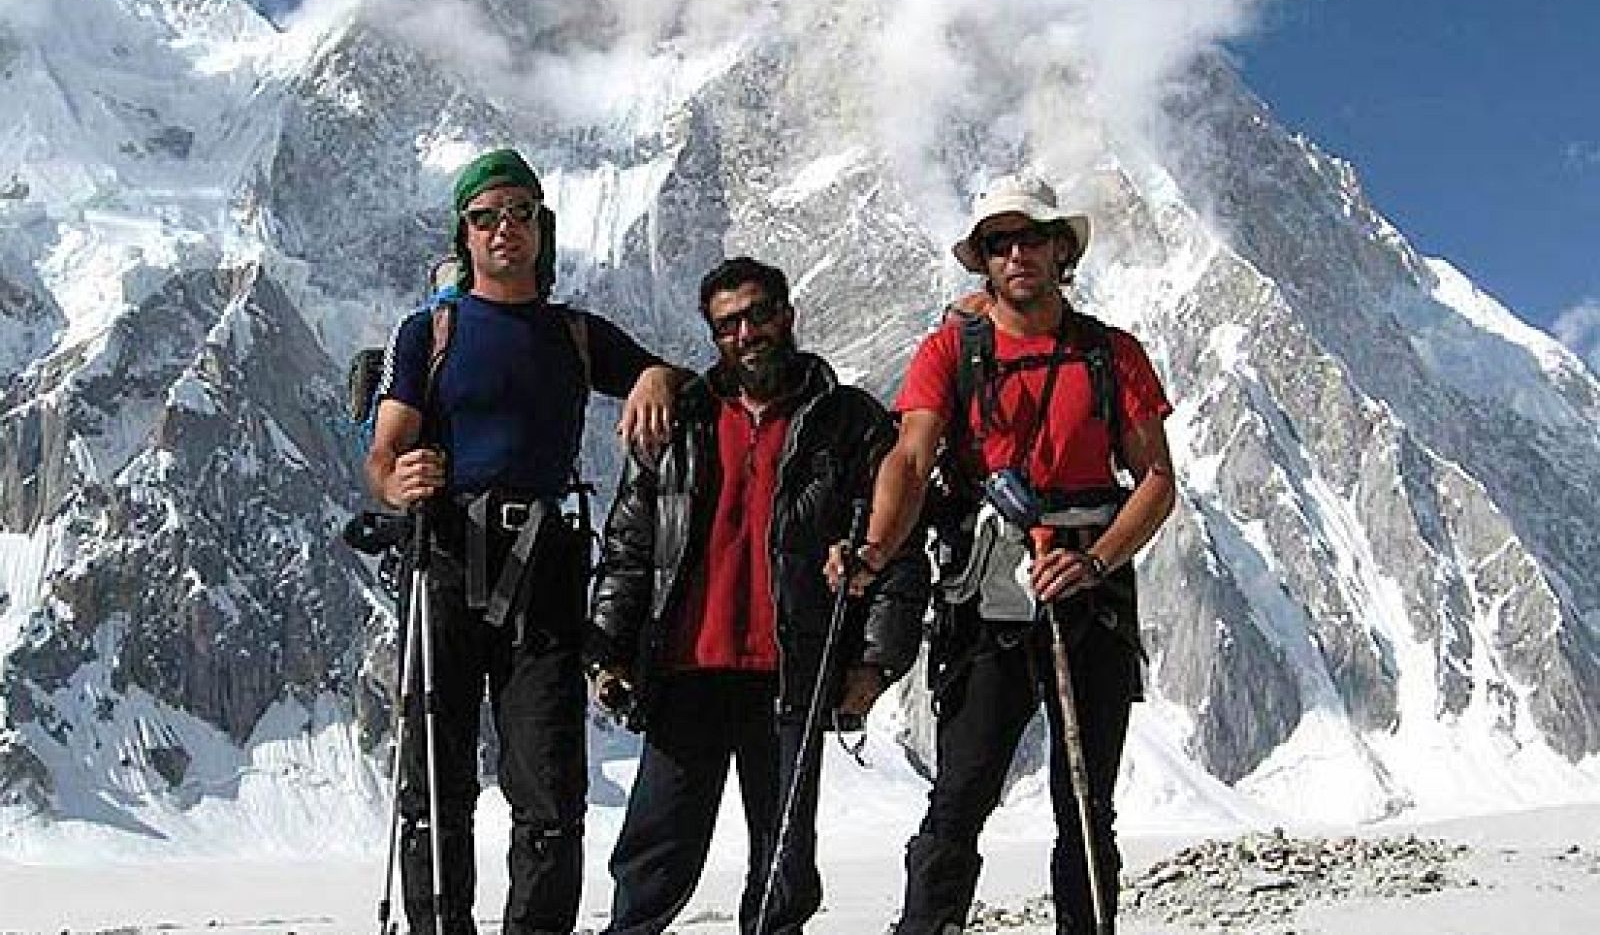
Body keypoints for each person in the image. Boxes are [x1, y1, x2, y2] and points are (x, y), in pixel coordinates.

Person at [832, 173, 1177, 934]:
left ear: (1061, 250)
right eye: (999, 242)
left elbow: (1157, 481)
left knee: (1086, 807)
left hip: (1090, 595)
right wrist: (875, 549)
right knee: (960, 792)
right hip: (986, 601)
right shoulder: (950, 352)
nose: (1017, 253)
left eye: (1030, 238)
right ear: (983, 261)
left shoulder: (1113, 355)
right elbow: (911, 459)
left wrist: (1094, 562)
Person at [366, 148, 683, 935]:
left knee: (549, 788)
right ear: (465, 235)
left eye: (520, 214)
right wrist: (395, 480)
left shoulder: (576, 335)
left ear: (542, 227)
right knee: (433, 787)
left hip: (544, 571)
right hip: (443, 558)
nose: (505, 229)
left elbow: (671, 375)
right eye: (487, 217)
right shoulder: (427, 333)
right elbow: (383, 453)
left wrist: (653, 376)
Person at [586, 256, 928, 935]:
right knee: (653, 855)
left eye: (758, 314)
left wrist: (874, 665)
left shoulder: (847, 419)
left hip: (791, 674)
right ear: (714, 336)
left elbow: (898, 550)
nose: (747, 333)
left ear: (787, 315)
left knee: (782, 867)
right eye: (728, 324)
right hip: (686, 673)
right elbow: (629, 544)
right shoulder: (680, 418)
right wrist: (607, 649)